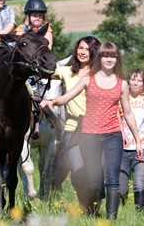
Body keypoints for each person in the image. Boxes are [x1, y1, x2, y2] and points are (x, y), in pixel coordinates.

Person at [41, 42, 143, 219]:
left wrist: (138, 140)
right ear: (100, 58)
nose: (109, 59)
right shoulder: (88, 79)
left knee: (112, 180)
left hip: (113, 135)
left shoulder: (122, 84)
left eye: (112, 56)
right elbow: (67, 97)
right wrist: (52, 101)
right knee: (94, 181)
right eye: (106, 55)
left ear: (117, 59)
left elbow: (128, 113)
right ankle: (89, 210)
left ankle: (111, 220)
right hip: (89, 136)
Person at [50, 37, 101, 195]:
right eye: (80, 48)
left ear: (94, 52)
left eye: (86, 49)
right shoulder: (67, 72)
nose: (82, 52)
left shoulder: (100, 75)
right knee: (78, 173)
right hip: (72, 130)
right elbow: (45, 71)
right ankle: (84, 205)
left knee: (94, 173)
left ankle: (93, 206)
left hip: (96, 130)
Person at [119, 68, 144, 212]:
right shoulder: (119, 99)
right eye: (133, 79)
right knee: (121, 188)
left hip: (143, 148)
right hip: (122, 148)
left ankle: (141, 217)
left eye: (139, 80)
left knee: (139, 184)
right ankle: (121, 214)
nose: (135, 83)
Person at [15, 0, 53, 102]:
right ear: (28, 16)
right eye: (35, 15)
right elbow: (20, 48)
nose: (38, 18)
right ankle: (34, 89)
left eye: (40, 15)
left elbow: (48, 47)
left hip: (42, 59)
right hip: (28, 60)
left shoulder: (47, 29)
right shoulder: (21, 29)